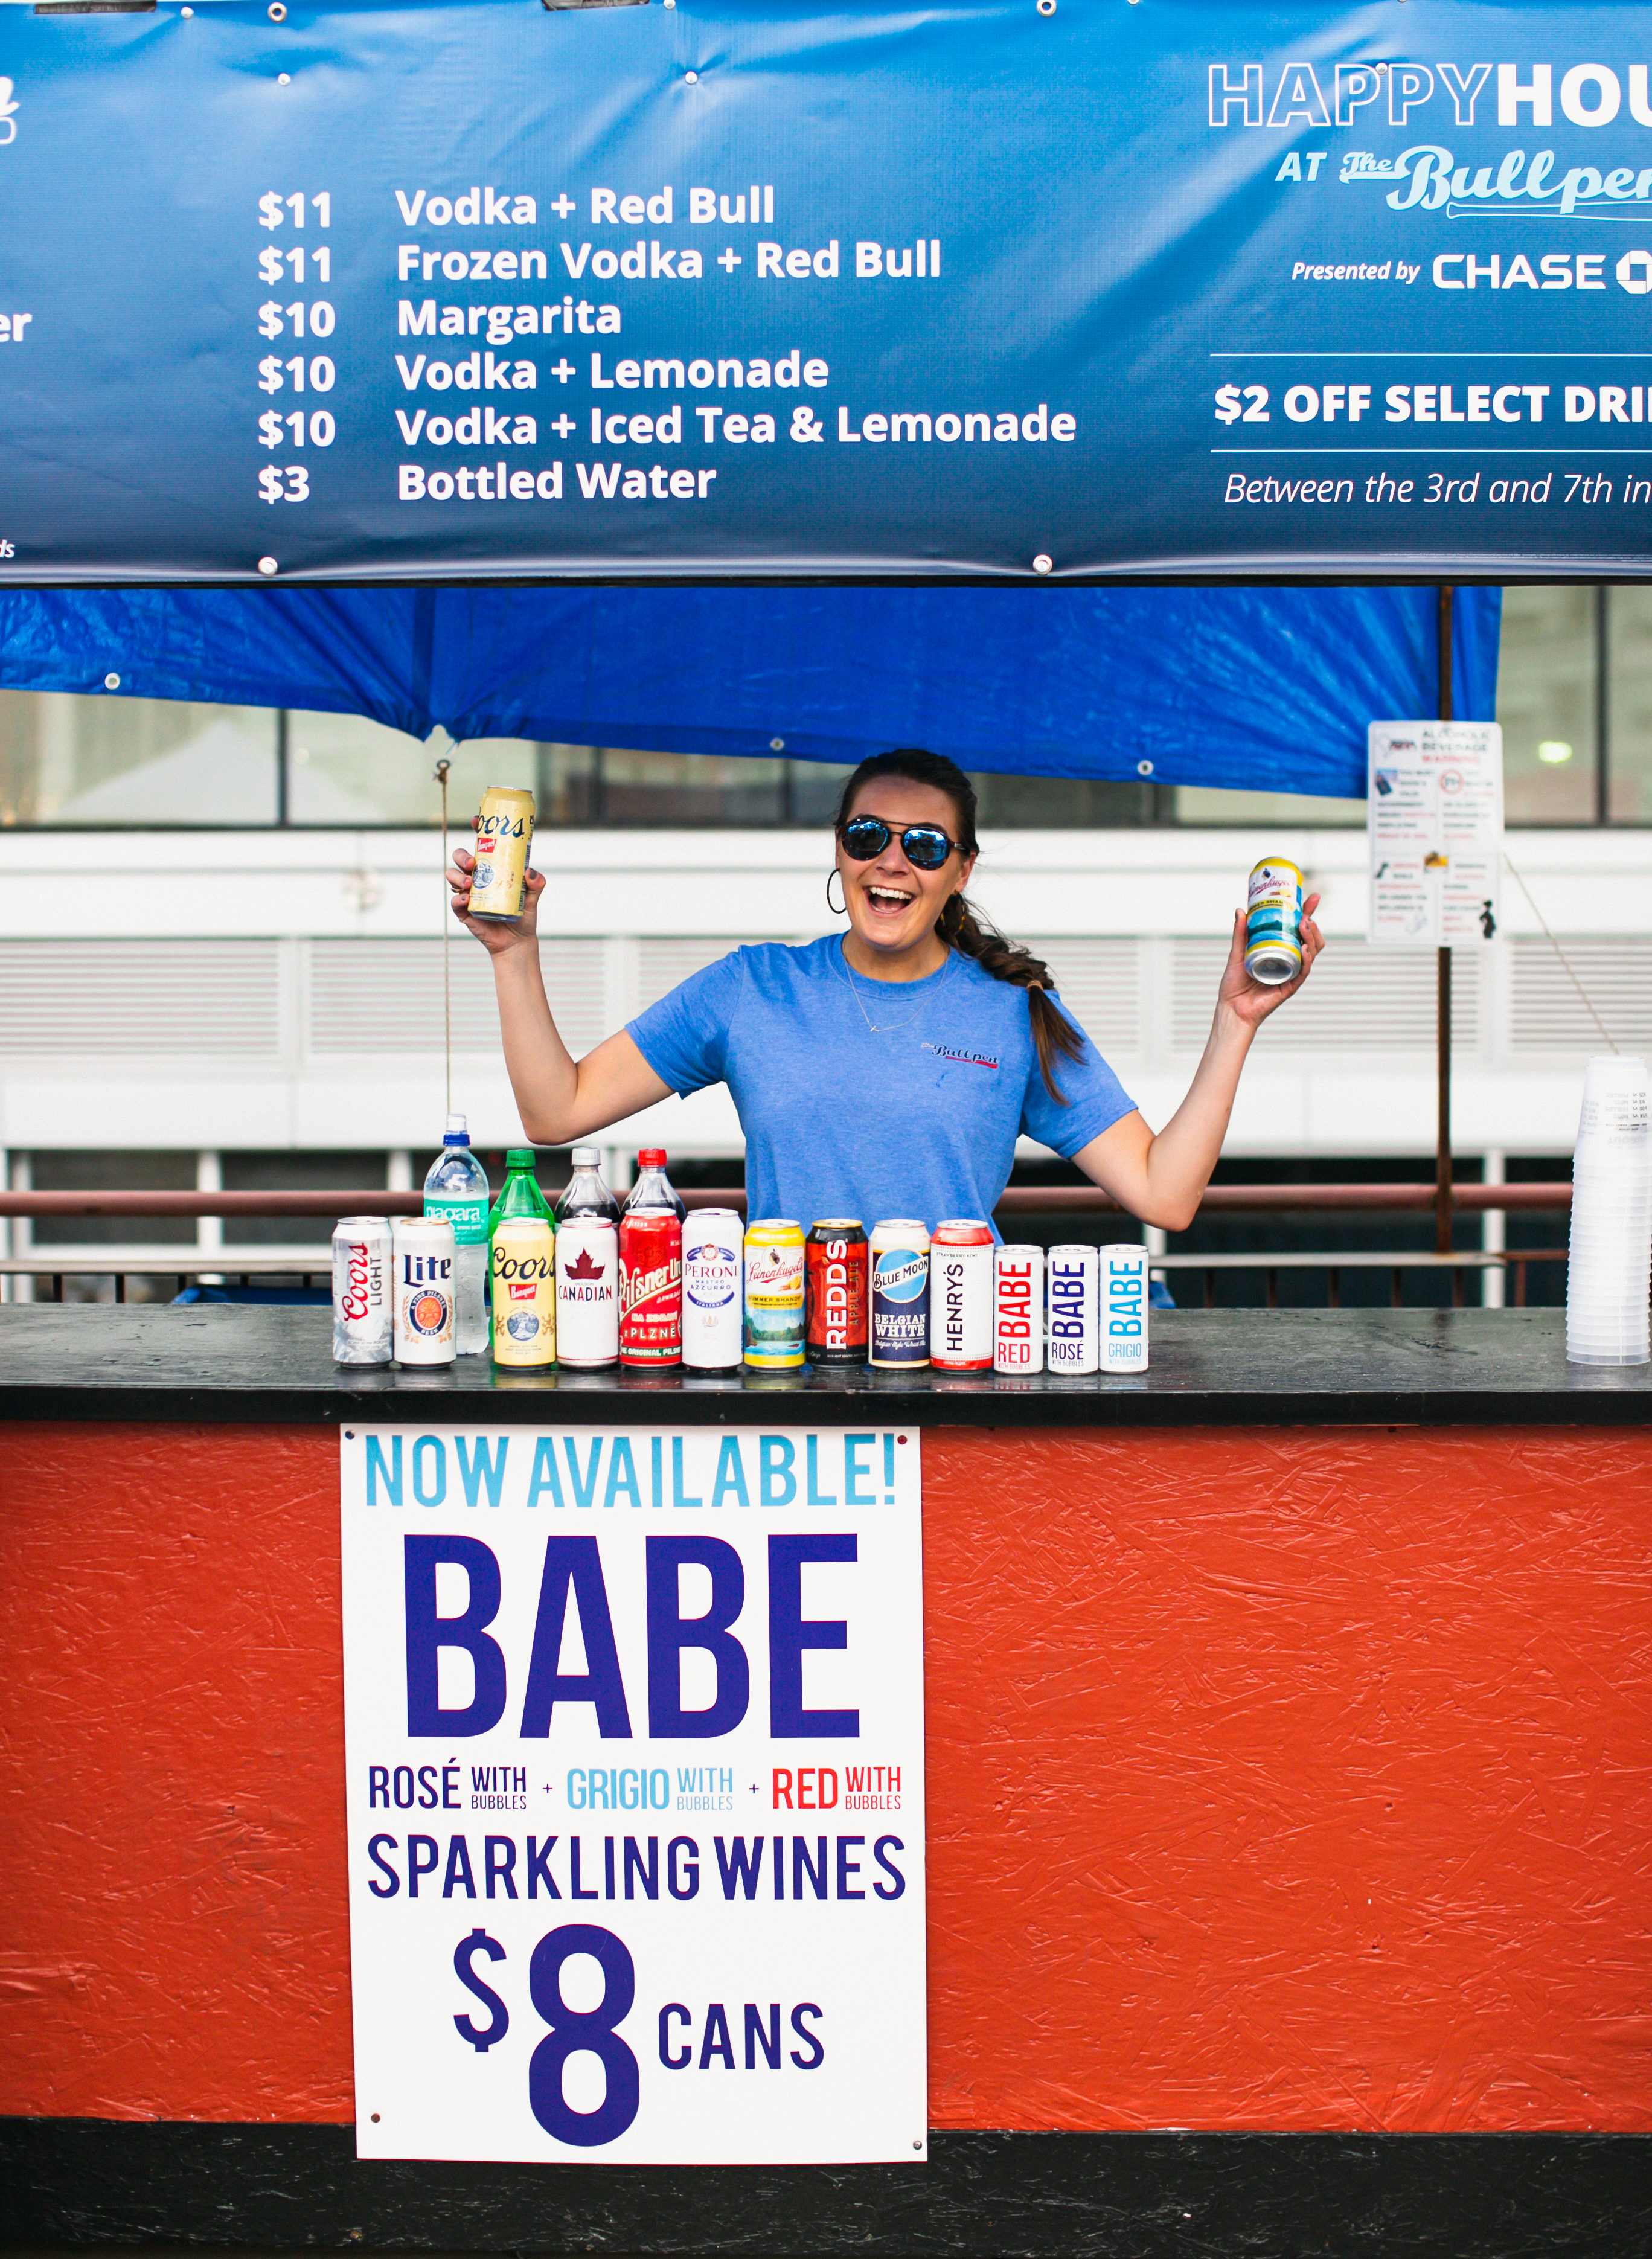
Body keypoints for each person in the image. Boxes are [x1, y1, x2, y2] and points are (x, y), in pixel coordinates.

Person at [447, 746, 1323, 1233]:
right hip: (784, 1363)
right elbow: (555, 1114)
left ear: (960, 870)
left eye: (926, 846)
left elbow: (1165, 1197)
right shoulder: (752, 988)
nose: (892, 861)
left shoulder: (1014, 1012)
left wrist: (1235, 1020)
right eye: (868, 835)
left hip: (954, 1375)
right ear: (839, 849)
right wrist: (512, 953)